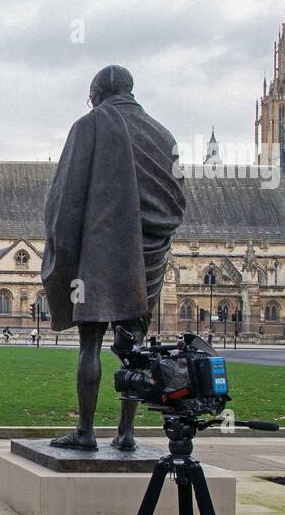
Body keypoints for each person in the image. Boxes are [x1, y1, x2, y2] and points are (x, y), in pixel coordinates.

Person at [41, 65, 186, 450]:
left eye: (91, 97)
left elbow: (64, 198)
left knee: (90, 345)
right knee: (132, 350)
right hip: (146, 260)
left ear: (98, 93)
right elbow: (176, 203)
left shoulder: (89, 125)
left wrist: (60, 247)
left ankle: (86, 432)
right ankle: (125, 434)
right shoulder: (164, 135)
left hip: (101, 255)